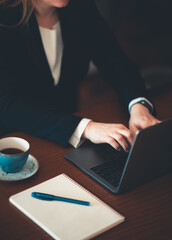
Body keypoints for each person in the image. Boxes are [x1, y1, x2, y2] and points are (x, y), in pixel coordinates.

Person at [0, 0, 159, 152]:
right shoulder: (4, 19)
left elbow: (115, 62)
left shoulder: (80, 6)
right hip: (14, 142)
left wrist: (139, 106)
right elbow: (6, 105)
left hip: (67, 142)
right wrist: (85, 127)